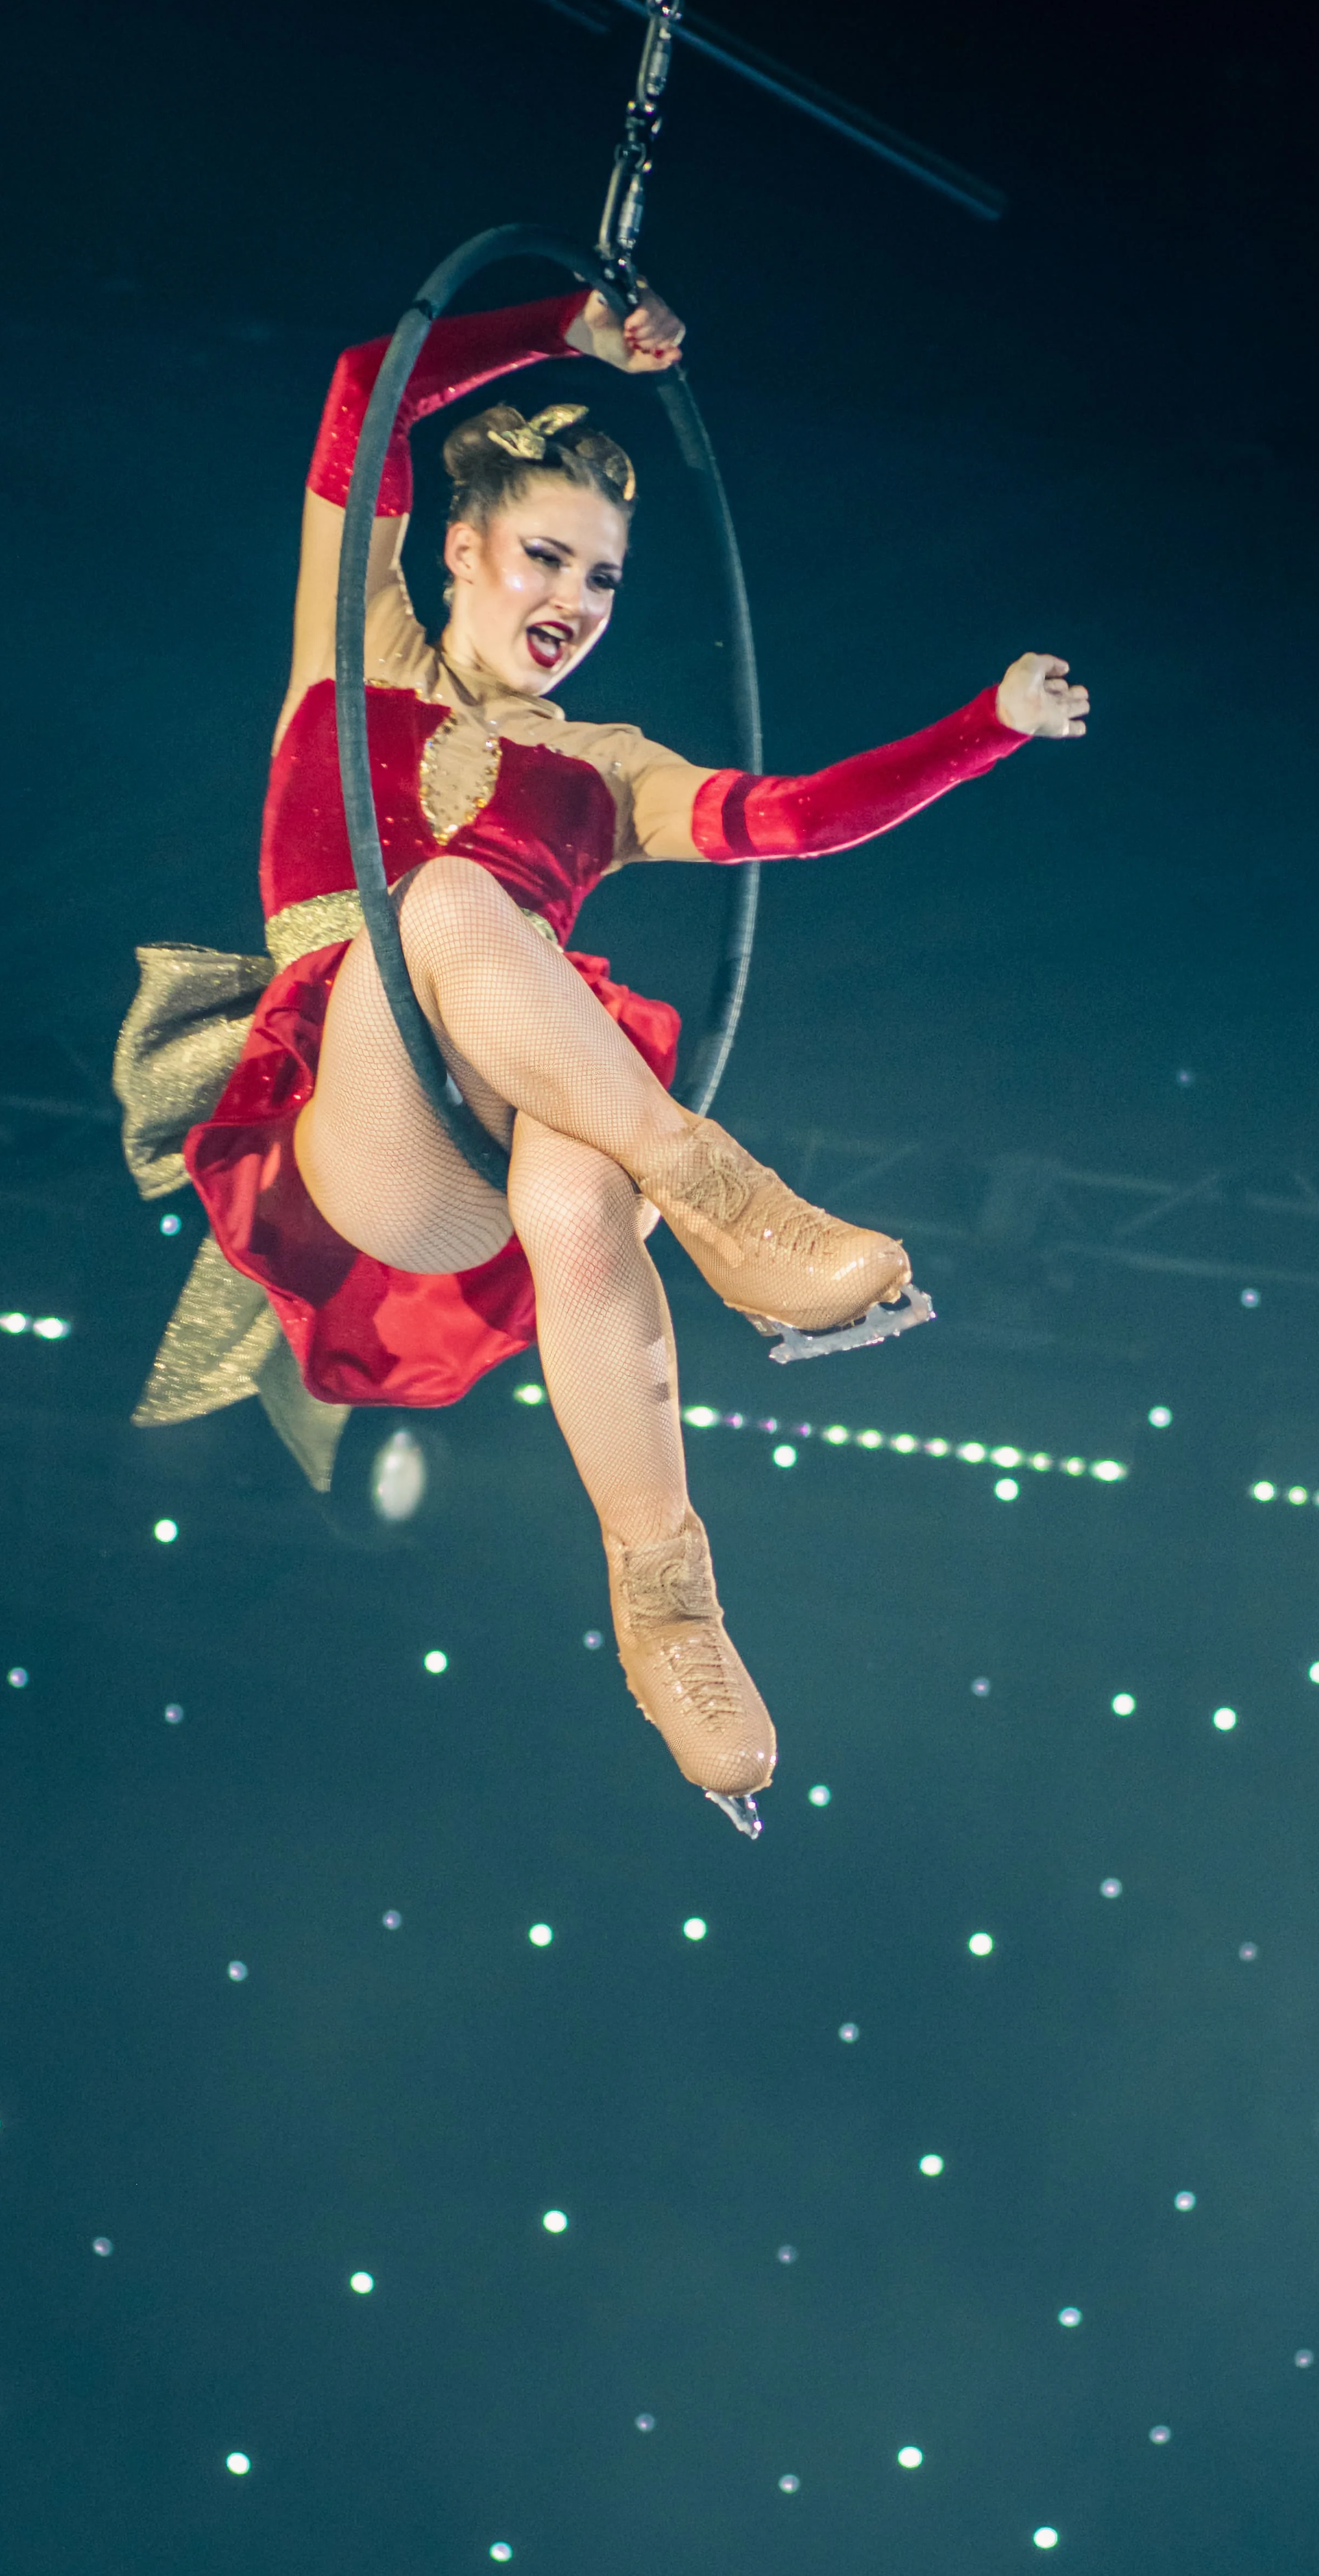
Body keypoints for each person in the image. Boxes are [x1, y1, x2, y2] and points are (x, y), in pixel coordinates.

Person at [119, 282, 1086, 1829]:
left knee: (578, 1195)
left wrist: (990, 724)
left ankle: (668, 1604)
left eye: (606, 577)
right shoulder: (350, 661)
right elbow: (368, 383)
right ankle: (723, 1198)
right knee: (448, 901)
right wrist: (567, 322)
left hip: (496, 1141)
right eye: (546, 556)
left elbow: (793, 819)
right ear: (457, 550)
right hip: (355, 1123)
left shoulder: (607, 768)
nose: (576, 595)